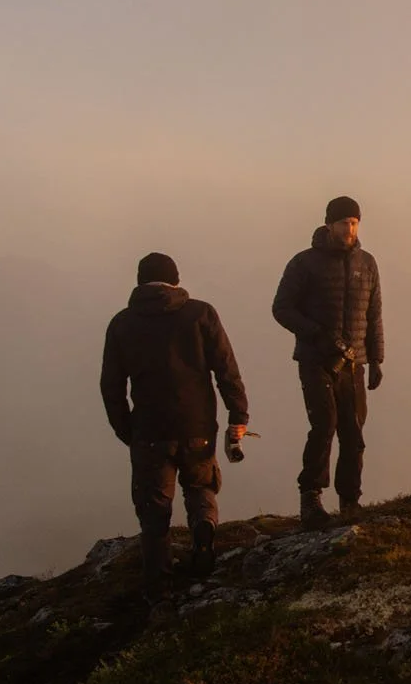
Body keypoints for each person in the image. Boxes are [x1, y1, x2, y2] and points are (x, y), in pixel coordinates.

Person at [99, 252, 250, 594]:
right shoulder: (200, 314)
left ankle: (160, 587)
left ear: (139, 282)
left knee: (154, 512)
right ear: (176, 280)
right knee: (200, 488)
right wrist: (237, 415)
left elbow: (111, 387)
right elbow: (226, 369)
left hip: (149, 431)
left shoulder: (122, 323)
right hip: (197, 425)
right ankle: (204, 535)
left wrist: (128, 430)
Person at [272, 195, 384, 527]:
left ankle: (350, 502)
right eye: (343, 223)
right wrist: (317, 335)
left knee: (353, 433)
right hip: (316, 361)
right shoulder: (304, 263)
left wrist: (376, 358)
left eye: (354, 222)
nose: (350, 229)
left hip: (355, 364)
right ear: (328, 225)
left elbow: (374, 314)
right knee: (324, 426)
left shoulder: (368, 263)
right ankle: (311, 500)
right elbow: (281, 308)